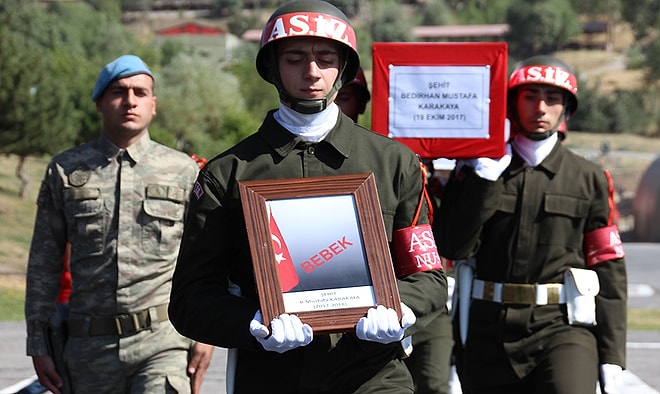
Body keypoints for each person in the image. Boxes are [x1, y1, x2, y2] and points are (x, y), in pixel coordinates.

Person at [168, 1, 447, 393]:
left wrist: (400, 307)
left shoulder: (394, 163)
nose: (312, 72)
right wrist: (253, 323)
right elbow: (190, 300)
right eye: (295, 58)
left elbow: (430, 277)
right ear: (273, 68)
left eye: (325, 58)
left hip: (373, 376)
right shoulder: (228, 173)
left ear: (344, 68)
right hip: (272, 375)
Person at [433, 55, 628, 394]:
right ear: (512, 103)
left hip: (562, 327)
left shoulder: (590, 179)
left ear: (566, 108)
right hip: (486, 328)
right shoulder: (478, 170)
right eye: (530, 96)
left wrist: (612, 354)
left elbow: (608, 268)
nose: (540, 107)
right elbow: (452, 247)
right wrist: (483, 181)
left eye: (552, 98)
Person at [24, 54, 213, 394]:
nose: (130, 100)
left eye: (140, 93)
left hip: (162, 342)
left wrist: (205, 334)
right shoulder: (65, 171)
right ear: (98, 103)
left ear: (153, 105)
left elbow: (205, 258)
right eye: (118, 92)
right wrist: (38, 342)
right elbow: (44, 262)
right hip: (89, 347)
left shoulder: (183, 170)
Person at [335, 67, 455, 394]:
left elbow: (454, 242)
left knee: (432, 384)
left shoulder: (395, 162)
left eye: (344, 97)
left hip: (419, 298)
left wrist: (471, 180)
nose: (334, 103)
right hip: (354, 317)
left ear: (361, 105)